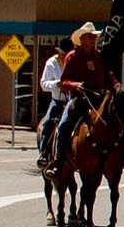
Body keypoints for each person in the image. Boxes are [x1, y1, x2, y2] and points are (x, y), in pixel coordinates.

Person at [50, 22, 119, 165]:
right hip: (79, 98)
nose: (93, 39)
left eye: (94, 37)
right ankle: (58, 161)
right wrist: (75, 85)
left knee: (120, 121)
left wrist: (116, 85)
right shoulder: (72, 57)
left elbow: (109, 76)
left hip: (99, 99)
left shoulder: (99, 56)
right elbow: (64, 81)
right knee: (64, 124)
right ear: (82, 39)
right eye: (90, 37)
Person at [35, 37, 73, 167]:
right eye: (63, 54)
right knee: (47, 123)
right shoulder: (51, 63)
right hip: (58, 101)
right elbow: (43, 84)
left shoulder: (74, 62)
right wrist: (57, 84)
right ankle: (44, 153)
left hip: (73, 101)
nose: (64, 56)